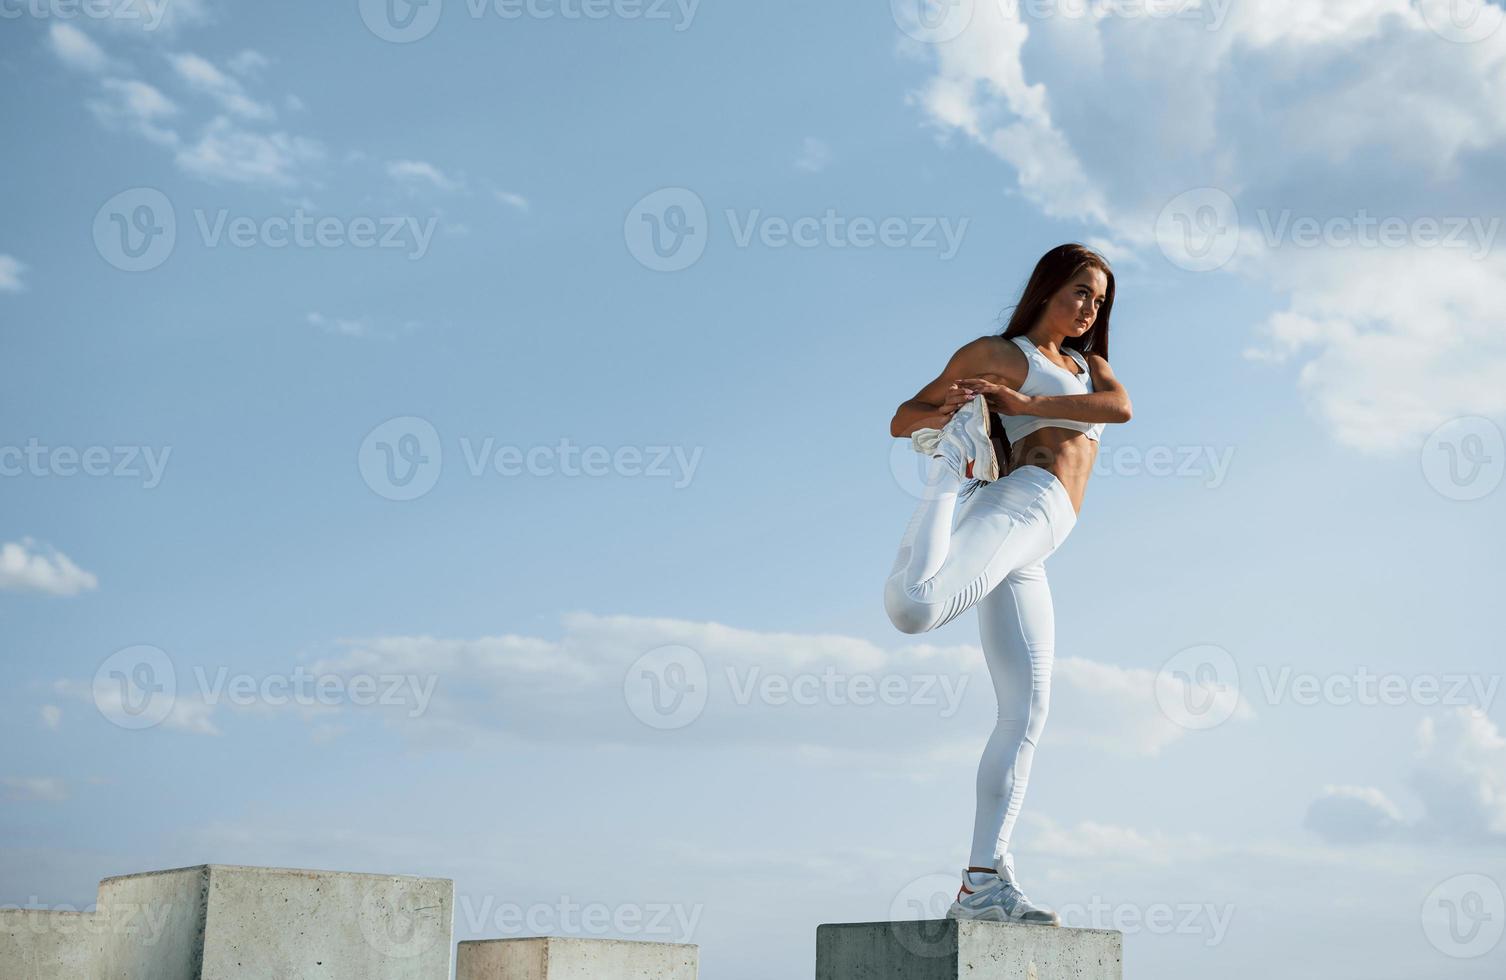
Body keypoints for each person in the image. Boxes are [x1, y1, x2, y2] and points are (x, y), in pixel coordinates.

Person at [884, 243, 1133, 925]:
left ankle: (982, 881)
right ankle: (946, 475)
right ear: (1048, 286)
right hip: (1021, 502)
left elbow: (1120, 407)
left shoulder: (1087, 368)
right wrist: (954, 417)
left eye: (1099, 300)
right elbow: (904, 417)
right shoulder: (999, 352)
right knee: (914, 608)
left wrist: (1022, 402)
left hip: (1037, 542)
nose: (1088, 308)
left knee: (1026, 713)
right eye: (1080, 291)